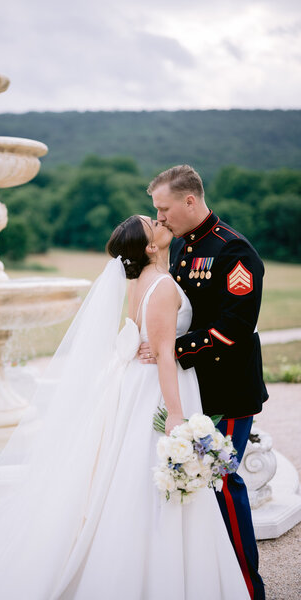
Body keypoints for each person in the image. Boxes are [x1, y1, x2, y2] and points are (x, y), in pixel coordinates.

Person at [0, 215, 250, 599]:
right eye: (153, 223)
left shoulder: (139, 282)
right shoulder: (163, 285)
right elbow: (165, 356)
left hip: (136, 383)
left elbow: (140, 338)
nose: (159, 220)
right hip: (157, 389)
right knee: (148, 480)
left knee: (133, 477)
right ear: (150, 247)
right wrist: (178, 417)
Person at [139, 165, 268, 600]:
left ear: (189, 201)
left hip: (227, 389)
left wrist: (170, 350)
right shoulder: (181, 245)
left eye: (163, 208)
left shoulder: (235, 252)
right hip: (192, 387)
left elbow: (233, 330)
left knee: (223, 485)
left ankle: (248, 588)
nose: (158, 218)